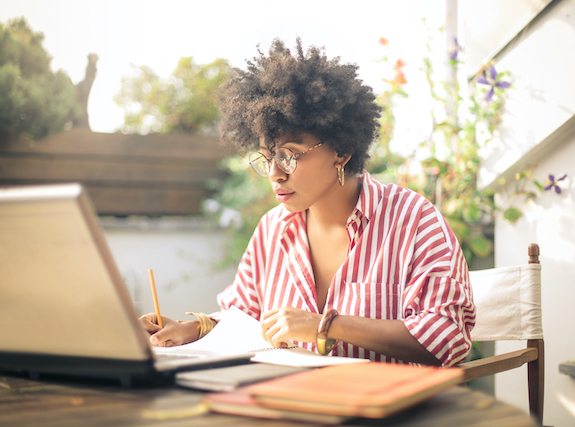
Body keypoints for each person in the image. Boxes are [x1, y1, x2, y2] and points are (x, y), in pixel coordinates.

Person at [139, 38, 475, 367]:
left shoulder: (412, 220)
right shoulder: (273, 229)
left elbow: (447, 338)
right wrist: (192, 329)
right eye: (268, 157)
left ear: (341, 151)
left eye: (289, 156)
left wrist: (323, 326)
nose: (274, 174)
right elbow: (243, 318)